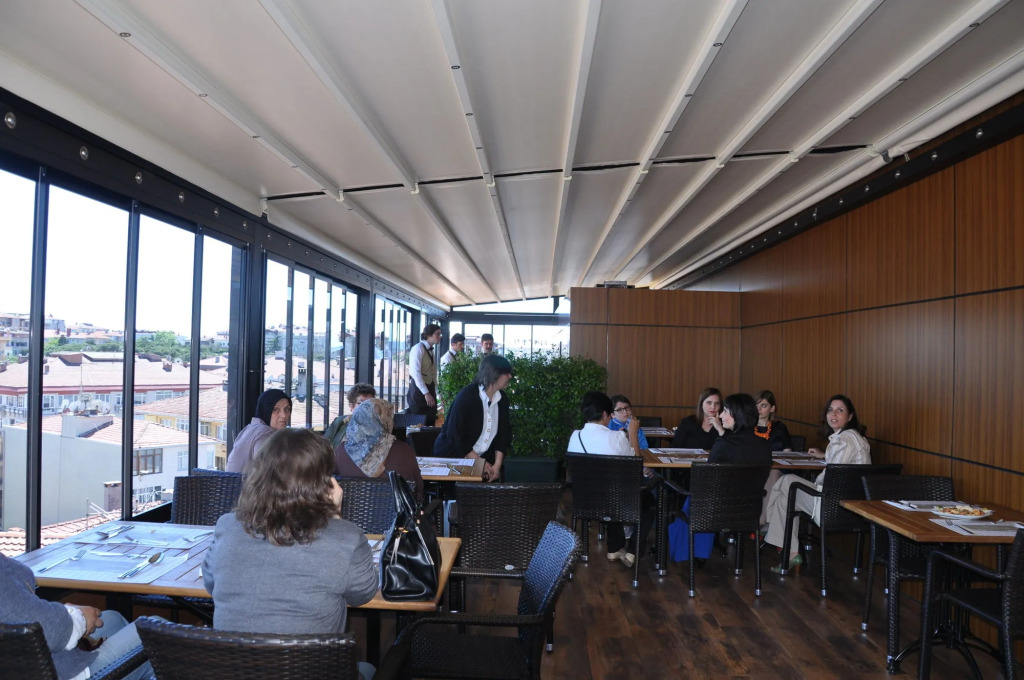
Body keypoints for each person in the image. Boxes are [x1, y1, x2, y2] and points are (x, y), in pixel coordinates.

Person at [203, 428, 378, 679]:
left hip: (234, 672)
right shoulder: (346, 538)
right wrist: (336, 519)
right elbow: (363, 594)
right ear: (323, 483)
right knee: (368, 669)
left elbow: (210, 584)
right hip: (313, 672)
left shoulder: (227, 526)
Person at [1, 553, 152, 680]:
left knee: (113, 619)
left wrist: (67, 612)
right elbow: (48, 632)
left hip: (29, 658)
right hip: (54, 672)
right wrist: (80, 617)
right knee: (151, 632)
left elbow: (18, 611)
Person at [763, 394, 871, 572]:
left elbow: (832, 477)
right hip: (850, 505)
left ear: (850, 416)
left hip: (832, 506)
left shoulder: (844, 440)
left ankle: (768, 525)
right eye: (830, 410)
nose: (833, 414)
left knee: (787, 481)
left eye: (840, 410)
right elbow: (841, 465)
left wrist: (815, 481)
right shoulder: (854, 437)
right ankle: (791, 552)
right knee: (785, 498)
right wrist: (824, 455)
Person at [567, 391, 652, 568]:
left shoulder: (575, 436)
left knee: (610, 489)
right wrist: (633, 433)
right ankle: (633, 550)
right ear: (606, 414)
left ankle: (615, 548)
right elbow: (636, 465)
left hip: (585, 502)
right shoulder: (617, 437)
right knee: (649, 502)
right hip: (616, 501)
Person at [433, 354, 512, 482]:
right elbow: (455, 434)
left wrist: (497, 465)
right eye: (507, 373)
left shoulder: (503, 399)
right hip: (453, 458)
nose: (510, 377)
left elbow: (504, 435)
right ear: (494, 374)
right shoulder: (467, 396)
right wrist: (478, 462)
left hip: (484, 460)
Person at [334, 397, 424, 501]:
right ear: (386, 420)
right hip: (395, 511)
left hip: (349, 511)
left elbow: (331, 485)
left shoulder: (341, 451)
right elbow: (418, 490)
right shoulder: (404, 451)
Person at [226, 388, 291, 473]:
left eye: (287, 409)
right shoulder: (265, 433)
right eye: (276, 410)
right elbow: (265, 472)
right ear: (265, 410)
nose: (284, 415)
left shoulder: (249, 428)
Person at [754, 390, 792, 524]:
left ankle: (763, 521)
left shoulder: (779, 427)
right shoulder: (747, 427)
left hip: (776, 468)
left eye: (763, 405)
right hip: (753, 468)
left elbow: (788, 452)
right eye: (756, 405)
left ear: (772, 408)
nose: (759, 409)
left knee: (773, 472)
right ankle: (766, 522)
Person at [707, 393, 772, 465]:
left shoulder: (723, 444)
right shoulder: (764, 444)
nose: (721, 415)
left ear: (738, 414)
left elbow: (709, 469)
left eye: (725, 411)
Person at [407, 324, 442, 426]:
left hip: (430, 388)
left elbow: (433, 374)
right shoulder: (418, 348)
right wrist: (426, 393)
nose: (440, 336)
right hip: (418, 392)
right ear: (429, 335)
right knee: (418, 423)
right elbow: (416, 373)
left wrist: (438, 392)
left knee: (431, 420)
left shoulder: (431, 350)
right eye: (437, 334)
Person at [323, 383, 376, 450]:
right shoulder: (339, 422)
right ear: (352, 406)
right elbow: (324, 446)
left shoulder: (379, 425)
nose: (366, 407)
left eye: (369, 403)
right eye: (361, 403)